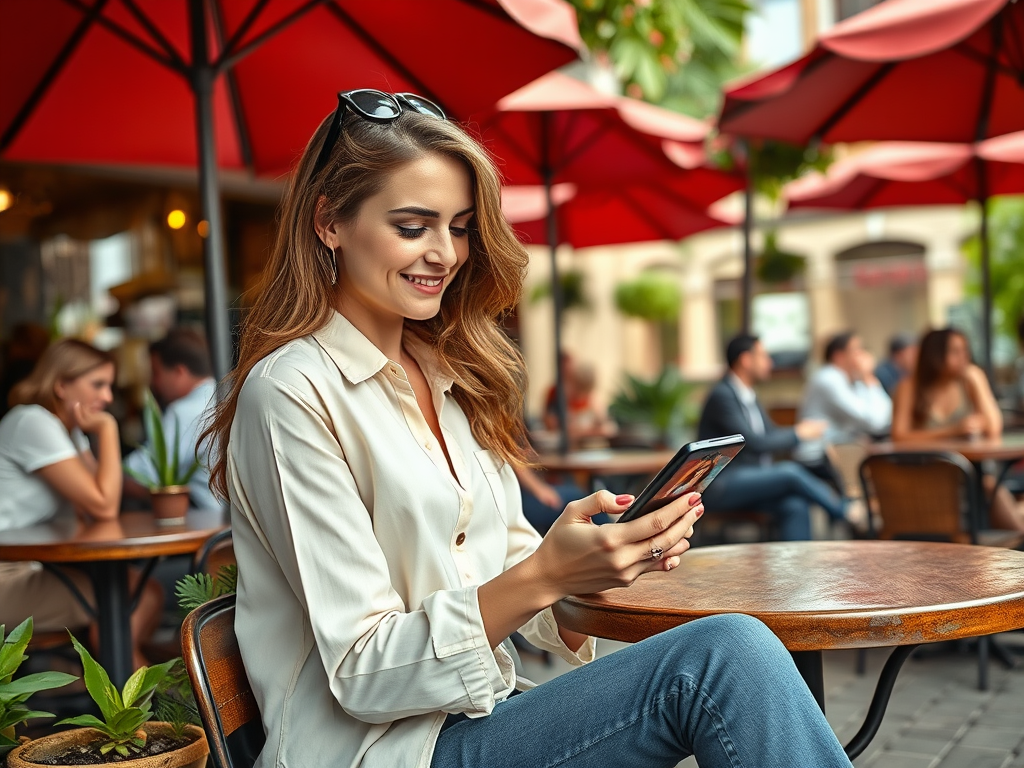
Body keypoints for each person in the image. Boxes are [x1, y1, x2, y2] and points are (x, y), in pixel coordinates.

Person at [200, 89, 851, 768]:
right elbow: (365, 670)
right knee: (725, 658)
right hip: (383, 753)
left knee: (736, 655)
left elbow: (517, 574)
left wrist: (597, 562)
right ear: (329, 222)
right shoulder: (292, 392)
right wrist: (545, 576)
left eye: (457, 227)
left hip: (488, 717)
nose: (445, 254)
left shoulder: (449, 378)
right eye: (412, 225)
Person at [0, 339, 163, 669]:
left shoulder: (65, 431)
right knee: (124, 598)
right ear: (61, 385)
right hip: (7, 576)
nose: (106, 397)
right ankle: (135, 698)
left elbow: (99, 505)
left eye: (109, 386)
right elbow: (104, 506)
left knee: (147, 592)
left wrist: (95, 435)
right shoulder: (32, 421)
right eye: (98, 385)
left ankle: (117, 678)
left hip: (36, 567)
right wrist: (107, 428)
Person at [697, 334, 861, 541]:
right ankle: (844, 510)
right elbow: (753, 442)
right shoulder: (723, 395)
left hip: (752, 479)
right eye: (764, 356)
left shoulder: (747, 394)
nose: (770, 363)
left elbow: (770, 433)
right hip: (723, 484)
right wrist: (797, 434)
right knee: (789, 472)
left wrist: (799, 431)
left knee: (795, 505)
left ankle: (793, 571)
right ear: (746, 360)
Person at [892, 327, 1024, 531]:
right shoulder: (910, 387)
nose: (964, 356)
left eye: (965, 350)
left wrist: (977, 380)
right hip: (924, 476)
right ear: (935, 354)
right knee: (988, 488)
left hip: (968, 473)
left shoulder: (968, 381)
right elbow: (900, 436)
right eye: (956, 351)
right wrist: (953, 430)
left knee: (987, 487)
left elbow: (994, 427)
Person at [123, 327, 219, 509]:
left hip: (202, 518)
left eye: (156, 373)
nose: (154, 383)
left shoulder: (183, 410)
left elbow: (138, 474)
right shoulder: (224, 395)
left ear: (179, 372)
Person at [794, 331, 892, 466]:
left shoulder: (851, 380)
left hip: (840, 451)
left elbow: (886, 418)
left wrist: (867, 380)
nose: (863, 356)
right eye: (857, 350)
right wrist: (868, 377)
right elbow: (875, 423)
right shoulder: (829, 378)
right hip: (817, 457)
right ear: (839, 356)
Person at [875, 332, 918, 398]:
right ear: (899, 354)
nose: (915, 356)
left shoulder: (905, 371)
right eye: (912, 352)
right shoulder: (882, 373)